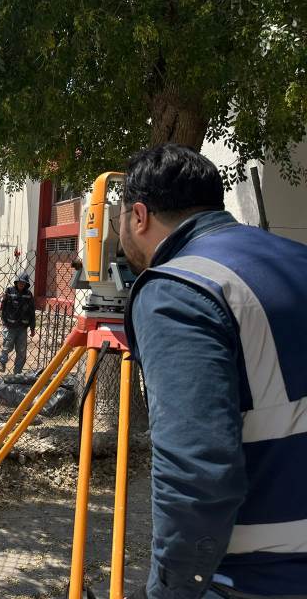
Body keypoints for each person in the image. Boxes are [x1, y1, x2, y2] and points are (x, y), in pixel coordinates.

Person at [119, 144, 307, 599]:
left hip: (257, 575)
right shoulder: (295, 259)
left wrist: (175, 587)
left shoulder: (178, 290)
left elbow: (197, 470)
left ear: (138, 216)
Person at [0, 272, 36, 374]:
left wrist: (32, 328)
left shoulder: (28, 295)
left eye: (23, 283)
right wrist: (1, 299)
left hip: (22, 327)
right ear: (16, 282)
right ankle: (2, 361)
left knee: (21, 351)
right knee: (7, 347)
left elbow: (32, 312)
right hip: (10, 326)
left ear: (26, 284)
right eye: (19, 282)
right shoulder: (9, 291)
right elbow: (1, 306)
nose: (21, 284)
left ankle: (17, 372)